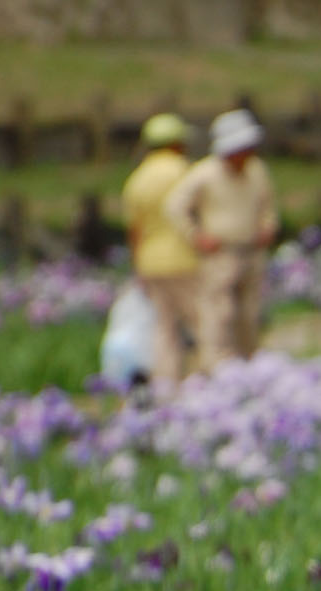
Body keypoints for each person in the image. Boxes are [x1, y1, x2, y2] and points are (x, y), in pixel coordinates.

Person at [164, 109, 277, 372]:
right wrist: (195, 235)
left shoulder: (257, 170)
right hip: (220, 254)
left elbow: (267, 206)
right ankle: (215, 368)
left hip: (251, 249)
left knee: (249, 315)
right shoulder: (205, 174)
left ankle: (250, 365)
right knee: (218, 314)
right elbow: (174, 207)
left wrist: (268, 226)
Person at [120, 113, 198, 395]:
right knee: (202, 323)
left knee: (164, 328)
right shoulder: (185, 170)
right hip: (186, 258)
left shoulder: (137, 178)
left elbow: (134, 230)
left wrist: (137, 264)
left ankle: (166, 386)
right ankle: (214, 383)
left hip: (151, 262)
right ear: (176, 143)